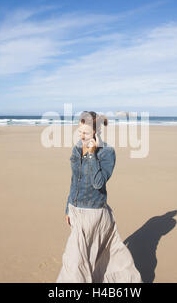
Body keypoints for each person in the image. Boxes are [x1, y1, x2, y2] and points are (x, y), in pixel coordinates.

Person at [56, 111, 143, 283]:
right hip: (76, 210)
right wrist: (68, 207)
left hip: (93, 214)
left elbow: (98, 183)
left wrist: (91, 154)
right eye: (79, 131)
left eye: (86, 133)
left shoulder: (107, 153)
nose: (81, 136)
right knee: (84, 259)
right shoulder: (76, 149)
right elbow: (75, 180)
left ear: (95, 133)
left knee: (75, 262)